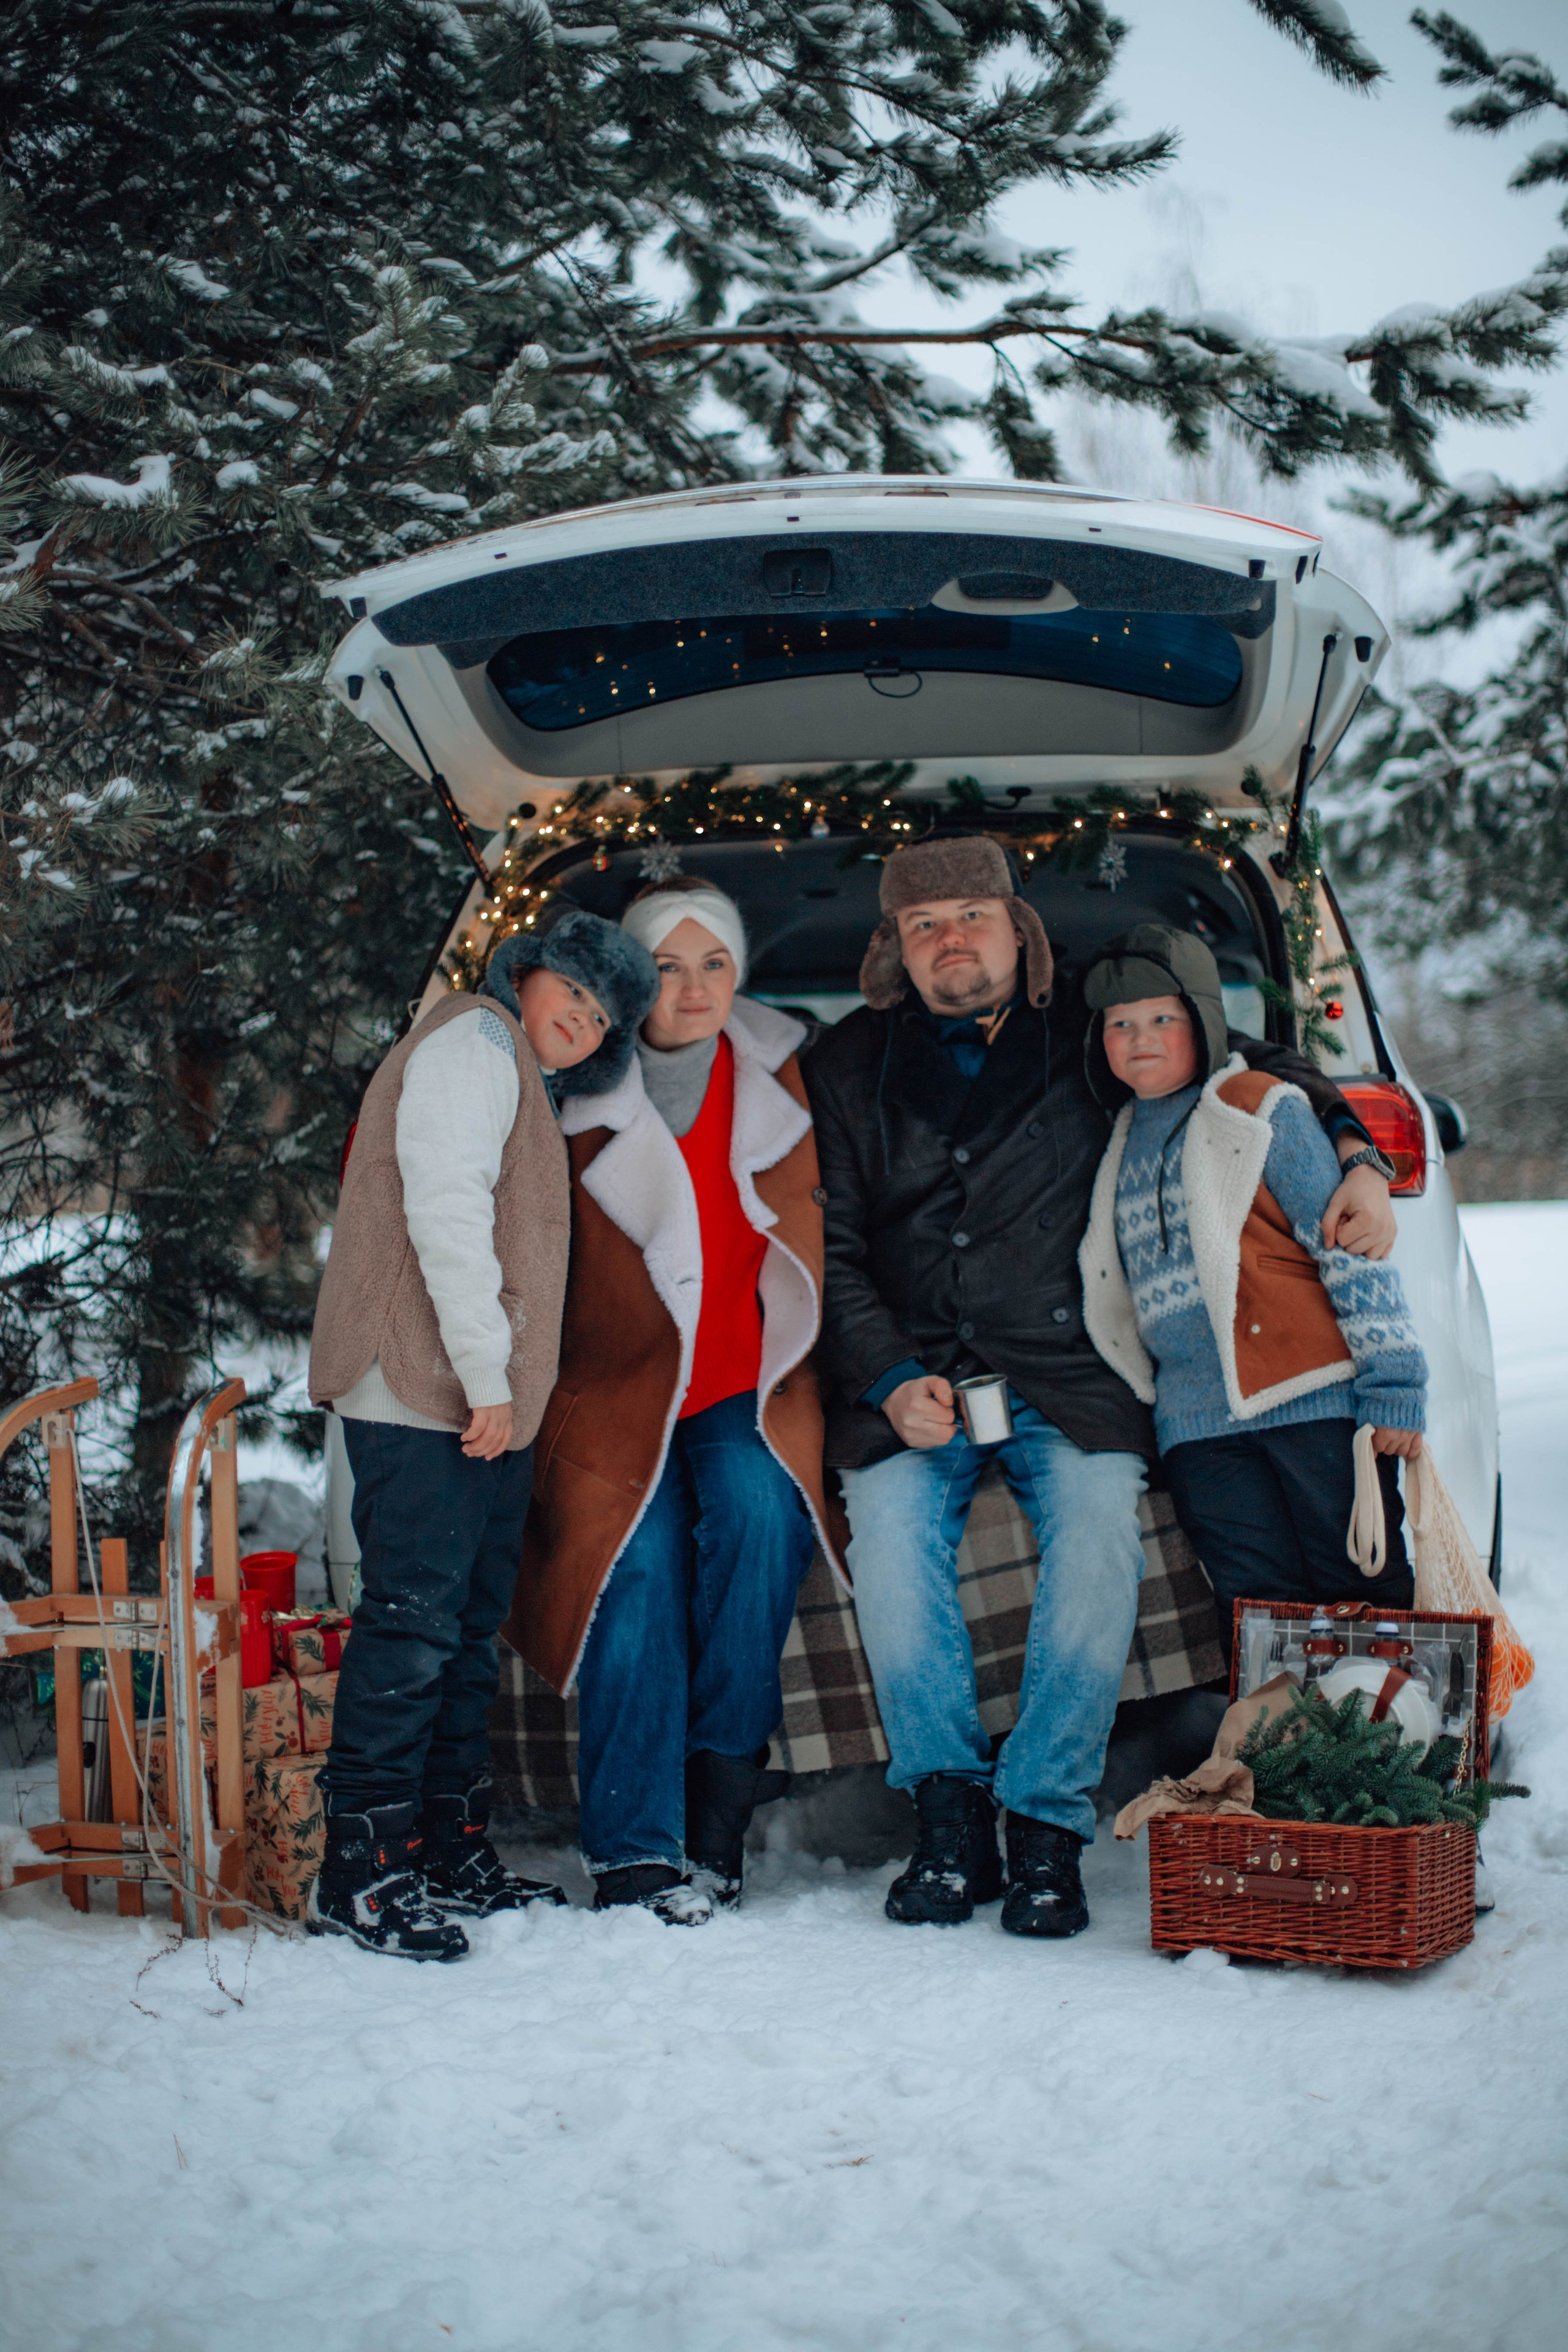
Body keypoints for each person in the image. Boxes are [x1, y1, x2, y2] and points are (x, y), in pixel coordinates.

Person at [803, 834, 1398, 1942]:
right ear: (897, 949)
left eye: (970, 918)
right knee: (885, 1548)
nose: (951, 944)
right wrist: (887, 1378)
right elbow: (829, 1249)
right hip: (911, 1382)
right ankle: (945, 1814)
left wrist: (1357, 1150)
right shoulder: (844, 1065)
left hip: (1068, 1372)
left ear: (1016, 929)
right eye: (924, 928)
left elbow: (1249, 1059)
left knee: (1096, 1537)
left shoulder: (1091, 1023)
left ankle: (1043, 1823)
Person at [306, 911, 660, 1961]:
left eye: (602, 1018)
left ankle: (447, 1850)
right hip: (425, 1384)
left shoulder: (524, 1077)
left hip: (475, 1395)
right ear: (530, 972)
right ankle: (360, 1873)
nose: (582, 1022)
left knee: (462, 1632)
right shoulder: (476, 1042)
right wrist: (486, 1374)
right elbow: (446, 1209)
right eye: (575, 994)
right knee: (413, 1625)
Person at [504, 875, 841, 1924]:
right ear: (628, 976)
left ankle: (715, 1820)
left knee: (756, 1514)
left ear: (740, 973)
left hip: (754, 1383)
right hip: (614, 1389)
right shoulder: (565, 1085)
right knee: (634, 1563)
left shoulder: (798, 1067)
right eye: (667, 966)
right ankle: (634, 1853)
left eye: (716, 964)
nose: (692, 990)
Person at [1078, 922, 1425, 1651]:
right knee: (1257, 1610)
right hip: (1198, 1427)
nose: (1140, 1038)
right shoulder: (1117, 1138)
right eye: (1120, 1025)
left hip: (1310, 1402)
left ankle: (1395, 1751)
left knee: (1357, 1581)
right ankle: (1291, 1762)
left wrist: (1394, 1382)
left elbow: (1345, 1249)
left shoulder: (1259, 1107)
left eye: (1162, 1018)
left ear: (1202, 1019)